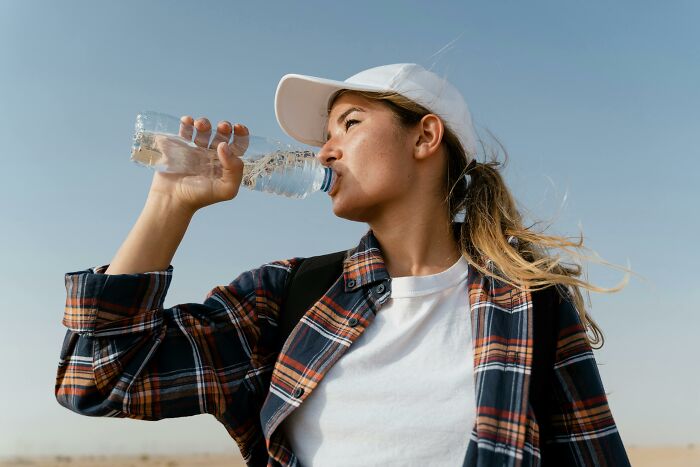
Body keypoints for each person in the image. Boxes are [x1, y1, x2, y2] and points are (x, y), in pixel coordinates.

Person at [55, 63, 631, 466]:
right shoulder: (286, 294)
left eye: (350, 124)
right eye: (325, 136)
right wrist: (169, 203)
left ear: (425, 136)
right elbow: (100, 378)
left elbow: (591, 453)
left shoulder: (531, 303)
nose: (324, 151)